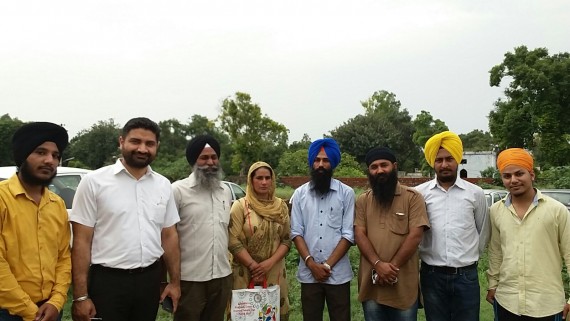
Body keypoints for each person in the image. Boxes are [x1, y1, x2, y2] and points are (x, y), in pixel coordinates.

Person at [70, 117, 181, 321]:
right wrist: (80, 296)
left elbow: (169, 235)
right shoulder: (94, 182)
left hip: (149, 281)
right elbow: (81, 241)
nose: (142, 149)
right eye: (135, 141)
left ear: (157, 146)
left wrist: (174, 282)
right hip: (107, 282)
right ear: (121, 141)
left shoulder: (163, 185)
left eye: (149, 144)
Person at [486, 148, 570, 320]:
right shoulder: (496, 211)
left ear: (532, 175)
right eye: (507, 176)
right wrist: (492, 284)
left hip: (546, 304)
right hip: (506, 300)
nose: (513, 180)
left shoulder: (556, 210)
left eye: (519, 173)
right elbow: (496, 251)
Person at [415, 131, 489, 321]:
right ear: (433, 162)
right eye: (439, 160)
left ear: (458, 159)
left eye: (449, 159)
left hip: (466, 276)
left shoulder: (475, 193)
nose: (444, 164)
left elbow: (482, 231)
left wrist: (468, 258)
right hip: (432, 276)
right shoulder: (419, 194)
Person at [0, 122, 70, 321]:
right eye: (41, 152)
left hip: (50, 309)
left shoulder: (57, 204)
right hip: (8, 312)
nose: (50, 160)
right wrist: (30, 311)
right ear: (23, 156)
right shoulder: (3, 198)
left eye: (55, 156)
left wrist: (56, 301)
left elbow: (64, 258)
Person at [355, 147, 430, 321]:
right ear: (369, 171)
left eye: (384, 165)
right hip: (371, 284)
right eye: (374, 167)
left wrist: (390, 268)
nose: (379, 170)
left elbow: (415, 236)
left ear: (394, 166)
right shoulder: (363, 200)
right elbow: (359, 234)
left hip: (403, 285)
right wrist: (378, 264)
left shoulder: (413, 198)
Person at [290, 138, 355, 321]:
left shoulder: (346, 193)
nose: (320, 164)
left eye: (325, 161)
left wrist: (326, 266)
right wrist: (312, 265)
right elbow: (296, 232)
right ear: (312, 162)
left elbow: (348, 234)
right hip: (308, 275)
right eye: (317, 160)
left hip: (338, 274)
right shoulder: (300, 194)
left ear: (332, 163)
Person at [171, 134, 233, 321]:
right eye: (204, 158)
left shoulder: (225, 191)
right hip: (190, 279)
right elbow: (167, 236)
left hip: (222, 276)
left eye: (214, 157)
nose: (210, 162)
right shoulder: (178, 191)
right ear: (194, 161)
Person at [228, 161, 291, 320]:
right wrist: (253, 266)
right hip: (245, 272)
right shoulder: (240, 206)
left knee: (273, 312)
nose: (264, 182)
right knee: (245, 314)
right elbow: (232, 239)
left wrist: (268, 264)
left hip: (274, 271)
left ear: (272, 180)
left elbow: (286, 239)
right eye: (259, 178)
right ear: (251, 180)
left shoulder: (281, 207)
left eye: (267, 178)